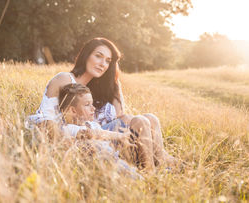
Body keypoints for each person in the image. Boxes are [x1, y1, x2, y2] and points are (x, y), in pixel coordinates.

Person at [25, 37, 169, 171]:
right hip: (81, 138)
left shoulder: (105, 86)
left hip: (106, 135)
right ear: (86, 55)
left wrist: (115, 85)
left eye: (108, 61)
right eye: (98, 56)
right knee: (143, 121)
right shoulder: (64, 79)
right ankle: (153, 171)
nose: (103, 64)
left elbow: (120, 117)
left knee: (150, 118)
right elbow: (45, 119)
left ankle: (161, 165)